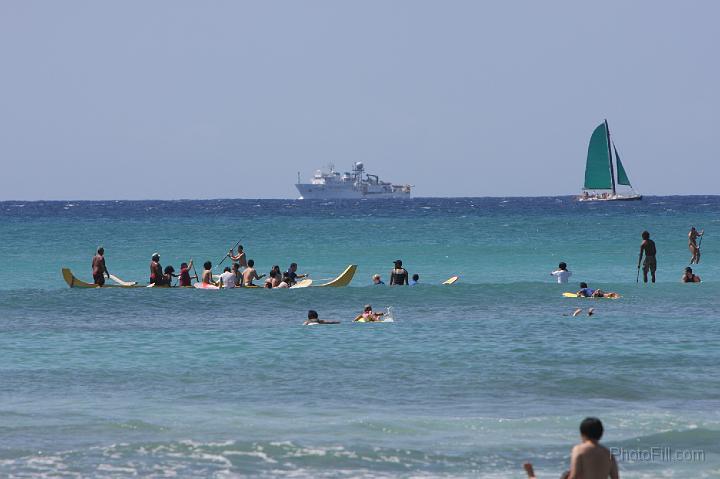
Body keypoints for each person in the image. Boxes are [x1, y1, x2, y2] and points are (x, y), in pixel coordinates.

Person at [524, 417, 619, 479]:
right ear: (601, 434)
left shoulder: (579, 450)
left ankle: (531, 476)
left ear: (582, 434)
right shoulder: (608, 454)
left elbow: (574, 476)